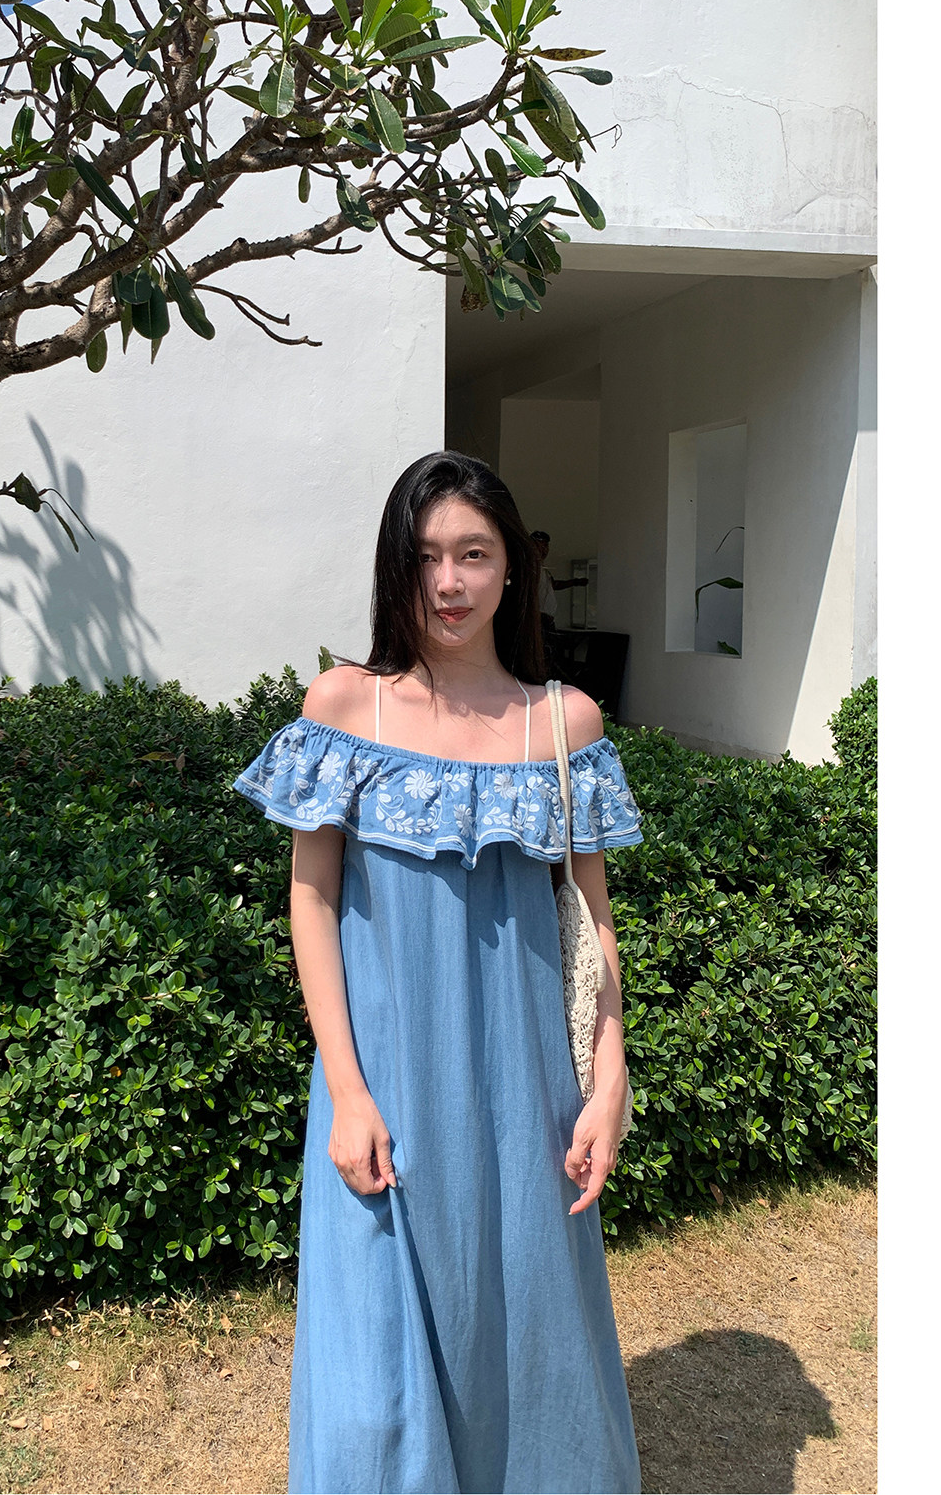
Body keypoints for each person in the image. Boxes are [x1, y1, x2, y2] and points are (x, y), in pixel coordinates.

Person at [233, 452, 645, 1494]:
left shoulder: (565, 724)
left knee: (528, 1340)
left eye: (474, 554)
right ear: (395, 568)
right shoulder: (344, 708)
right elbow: (310, 902)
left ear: (514, 566)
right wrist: (347, 1091)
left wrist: (610, 1079)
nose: (450, 583)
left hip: (526, 1096)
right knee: (373, 1383)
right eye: (425, 558)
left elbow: (591, 922)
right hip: (384, 1084)